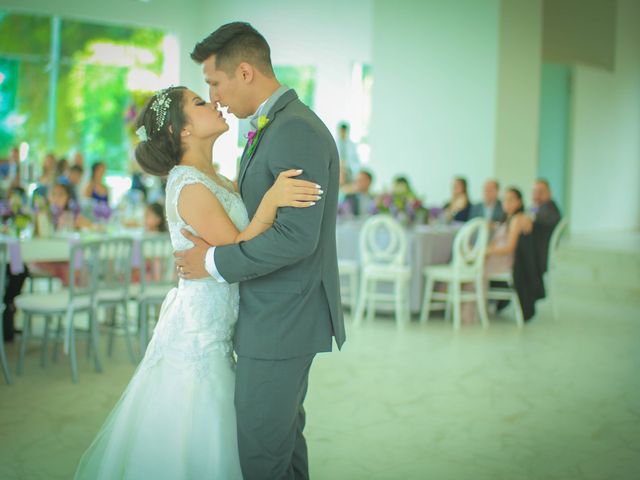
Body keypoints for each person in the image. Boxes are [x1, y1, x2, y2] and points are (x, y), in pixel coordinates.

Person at [74, 81, 322, 478]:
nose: (214, 103)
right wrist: (272, 200)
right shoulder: (189, 184)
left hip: (218, 324)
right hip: (199, 333)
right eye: (200, 101)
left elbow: (227, 248)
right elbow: (240, 248)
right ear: (182, 130)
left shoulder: (218, 178)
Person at [174, 22, 345, 479]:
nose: (213, 97)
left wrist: (211, 262)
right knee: (281, 448)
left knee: (260, 457)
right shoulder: (276, 125)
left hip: (280, 319)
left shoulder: (295, 130)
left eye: (214, 83)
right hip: (270, 315)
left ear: (245, 72)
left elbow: (296, 237)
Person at [530, 178, 561, 273]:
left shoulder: (550, 209)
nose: (537, 195)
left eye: (541, 192)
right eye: (535, 192)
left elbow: (534, 223)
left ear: (549, 193)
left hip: (540, 255)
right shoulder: (535, 208)